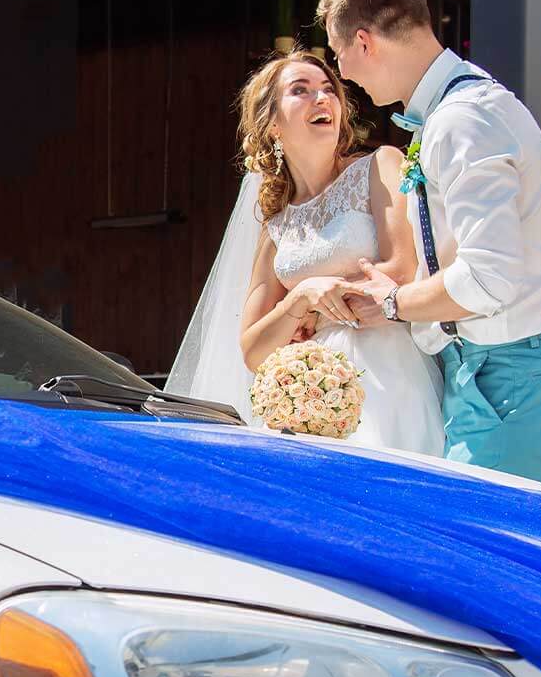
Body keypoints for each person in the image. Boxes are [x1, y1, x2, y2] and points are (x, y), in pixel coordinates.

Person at [322, 0, 541, 486]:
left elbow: (489, 276)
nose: (343, 73)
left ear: (365, 42)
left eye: (339, 55)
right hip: (489, 370)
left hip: (519, 374)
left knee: (482, 559)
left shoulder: (464, 120)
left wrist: (394, 304)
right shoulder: (449, 112)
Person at [168, 48, 445, 455]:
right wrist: (298, 297)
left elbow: (400, 271)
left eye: (328, 89)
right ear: (273, 125)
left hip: (388, 380)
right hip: (307, 401)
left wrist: (313, 309)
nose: (323, 98)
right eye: (301, 90)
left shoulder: (379, 166)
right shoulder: (275, 224)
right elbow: (253, 348)